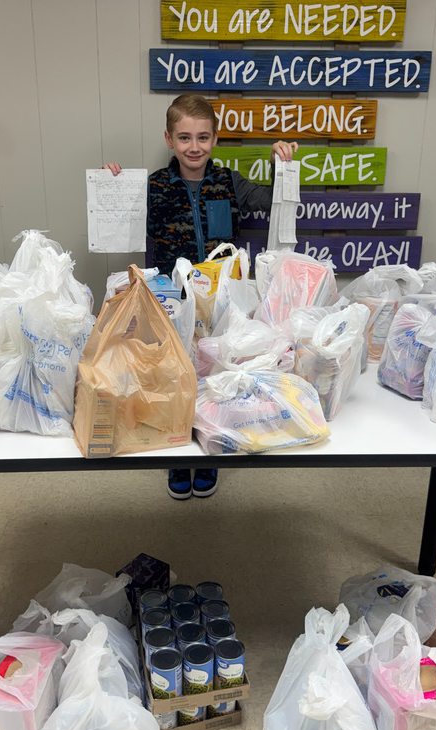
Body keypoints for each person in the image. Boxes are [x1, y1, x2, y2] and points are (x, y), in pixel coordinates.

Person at [103, 93, 298, 501]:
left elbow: (269, 201)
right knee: (172, 373)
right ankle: (177, 452)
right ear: (170, 139)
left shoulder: (228, 182)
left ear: (215, 139)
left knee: (216, 374)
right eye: (185, 137)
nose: (195, 147)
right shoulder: (153, 186)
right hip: (169, 296)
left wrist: (285, 167)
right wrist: (111, 184)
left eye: (203, 137)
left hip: (220, 298)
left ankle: (212, 447)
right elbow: (115, 217)